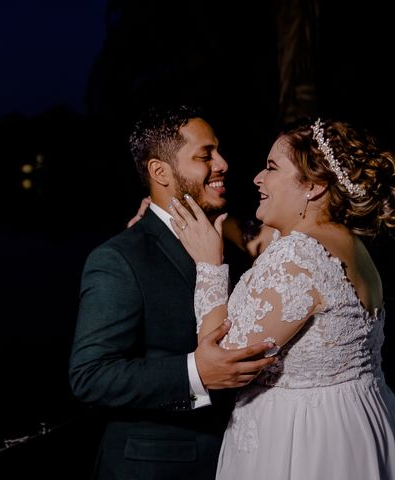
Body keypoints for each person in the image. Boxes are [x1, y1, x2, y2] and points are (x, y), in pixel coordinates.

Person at [169, 116, 395, 479]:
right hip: (357, 419)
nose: (258, 178)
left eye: (272, 167)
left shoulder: (298, 257)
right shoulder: (345, 241)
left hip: (301, 439)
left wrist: (209, 265)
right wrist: (209, 215)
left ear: (314, 186)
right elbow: (257, 240)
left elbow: (223, 360)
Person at [68, 104, 277, 480]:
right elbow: (91, 375)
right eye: (205, 155)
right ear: (159, 171)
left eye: (219, 150)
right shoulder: (120, 257)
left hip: (248, 456)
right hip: (159, 465)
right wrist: (196, 372)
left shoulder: (233, 240)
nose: (223, 163)